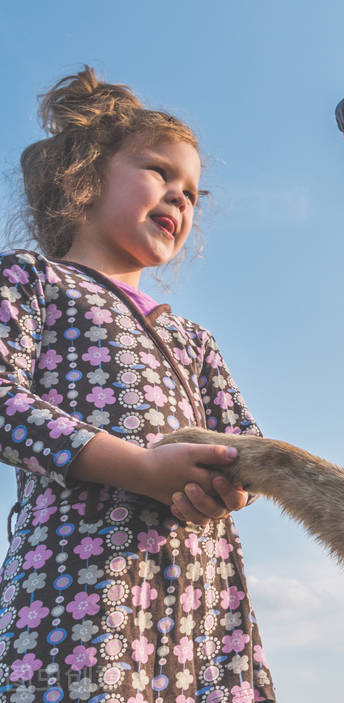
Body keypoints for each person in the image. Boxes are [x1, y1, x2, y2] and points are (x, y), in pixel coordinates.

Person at [0, 68, 275, 703]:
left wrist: (228, 489)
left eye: (193, 193)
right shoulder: (33, 281)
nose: (181, 198)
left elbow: (247, 446)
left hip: (201, 598)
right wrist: (141, 469)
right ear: (86, 174)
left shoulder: (193, 338)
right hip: (79, 583)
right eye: (159, 172)